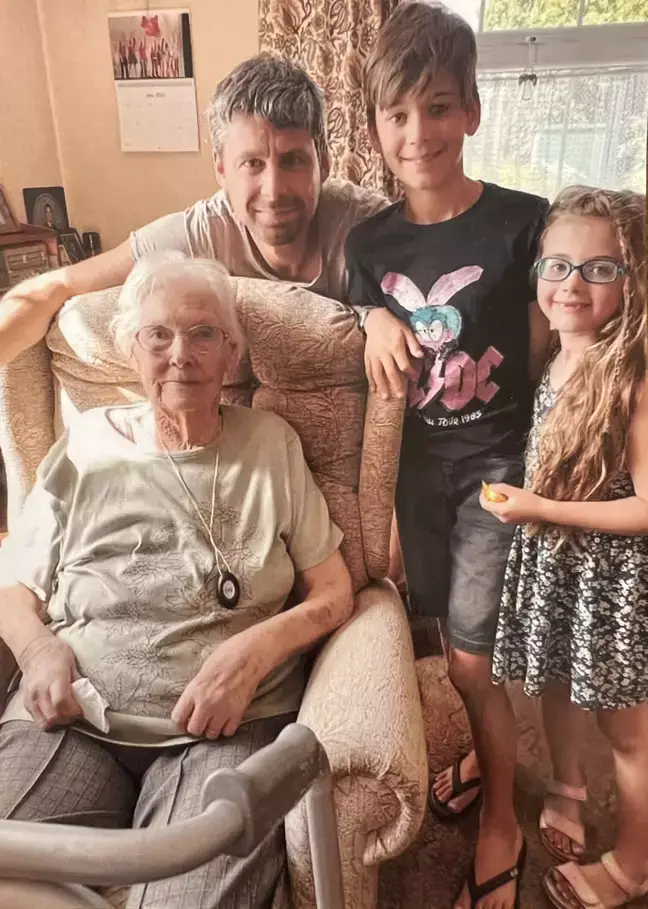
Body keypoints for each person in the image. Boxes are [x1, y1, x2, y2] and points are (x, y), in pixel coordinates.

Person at [0, 252, 354, 909]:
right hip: (72, 720)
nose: (179, 353)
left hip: (223, 731)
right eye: (157, 334)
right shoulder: (83, 448)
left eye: (203, 334)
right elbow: (13, 589)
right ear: (130, 350)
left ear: (232, 355)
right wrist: (40, 649)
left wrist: (254, 652)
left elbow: (334, 593)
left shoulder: (271, 445)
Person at [345, 4, 550, 907]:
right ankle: (481, 746)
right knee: (452, 641)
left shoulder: (524, 224)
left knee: (469, 659)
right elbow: (353, 312)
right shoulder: (369, 244)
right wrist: (370, 315)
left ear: (471, 109)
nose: (417, 132)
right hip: (417, 477)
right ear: (376, 127)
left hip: (496, 474)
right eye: (397, 114)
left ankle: (502, 811)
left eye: (437, 107)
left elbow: (557, 354)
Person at [0, 54, 386, 367]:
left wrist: (376, 317)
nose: (274, 191)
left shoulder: (371, 226)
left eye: (294, 161)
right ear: (220, 169)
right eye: (252, 163)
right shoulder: (200, 233)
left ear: (326, 163)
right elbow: (57, 287)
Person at [482, 186, 648, 909]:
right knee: (551, 681)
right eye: (557, 265)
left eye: (600, 268)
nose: (573, 284)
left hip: (609, 586)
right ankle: (568, 785)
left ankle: (633, 865)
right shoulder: (555, 350)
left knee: (631, 735)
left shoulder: (632, 379)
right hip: (557, 571)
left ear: (634, 279)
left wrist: (540, 507)